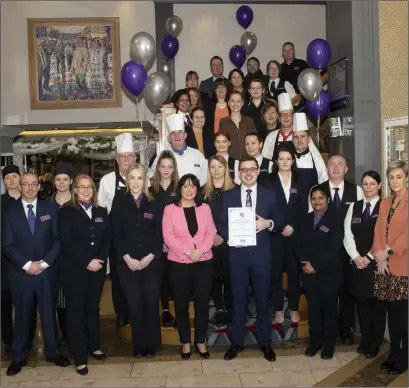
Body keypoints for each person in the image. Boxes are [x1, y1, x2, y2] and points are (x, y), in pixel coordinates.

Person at [3, 172, 70, 376]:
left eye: (34, 184)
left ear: (39, 187)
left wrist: (45, 263)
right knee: (22, 316)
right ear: (20, 187)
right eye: (26, 184)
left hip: (46, 272)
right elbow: (6, 244)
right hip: (21, 273)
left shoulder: (50, 209)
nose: (30, 188)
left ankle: (53, 352)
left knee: (49, 314)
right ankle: (19, 357)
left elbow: (58, 240)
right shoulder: (9, 211)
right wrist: (26, 265)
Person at [219, 156, 284, 362]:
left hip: (261, 257)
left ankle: (265, 342)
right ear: (238, 173)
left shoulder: (269, 194)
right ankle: (236, 342)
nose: (248, 173)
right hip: (237, 257)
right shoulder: (228, 196)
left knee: (263, 302)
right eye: (243, 170)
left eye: (251, 169)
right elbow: (220, 223)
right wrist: (231, 237)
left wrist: (269, 223)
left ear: (257, 171)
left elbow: (281, 219)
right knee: (238, 302)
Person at [58, 174, 110, 375]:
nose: (86, 190)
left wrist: (100, 259)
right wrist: (87, 260)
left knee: (92, 308)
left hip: (96, 269)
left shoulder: (101, 211)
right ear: (75, 190)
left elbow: (107, 238)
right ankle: (79, 356)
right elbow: (66, 241)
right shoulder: (66, 212)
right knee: (76, 311)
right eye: (82, 187)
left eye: (90, 187)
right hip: (74, 270)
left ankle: (94, 345)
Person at [162, 174, 217, 359]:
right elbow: (168, 236)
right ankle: (185, 342)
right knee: (181, 304)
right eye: (185, 186)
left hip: (204, 262)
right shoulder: (170, 210)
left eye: (193, 186)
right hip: (179, 262)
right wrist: (187, 251)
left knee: (202, 304)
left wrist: (200, 250)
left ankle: (200, 341)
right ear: (180, 189)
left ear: (197, 190)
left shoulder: (205, 208)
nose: (189, 189)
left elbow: (211, 232)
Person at [111, 165, 163, 358]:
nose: (135, 182)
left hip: (152, 262)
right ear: (127, 180)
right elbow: (115, 232)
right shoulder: (119, 201)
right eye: (131, 178)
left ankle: (152, 343)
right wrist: (126, 257)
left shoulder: (153, 202)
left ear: (145, 180)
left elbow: (159, 233)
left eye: (139, 178)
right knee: (134, 302)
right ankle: (139, 345)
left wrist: (151, 256)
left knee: (150, 302)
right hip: (128, 262)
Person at [294, 185, 344, 360]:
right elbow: (297, 244)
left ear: (328, 199)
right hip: (308, 273)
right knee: (314, 309)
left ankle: (329, 344)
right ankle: (315, 341)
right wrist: (306, 264)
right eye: (314, 198)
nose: (317, 201)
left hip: (329, 273)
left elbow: (334, 247)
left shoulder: (336, 218)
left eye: (320, 198)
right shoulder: (305, 219)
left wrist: (315, 264)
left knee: (329, 309)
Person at [319, 155, 364, 345]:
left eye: (340, 165)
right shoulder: (318, 190)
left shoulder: (357, 191)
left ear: (347, 169)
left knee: (347, 292)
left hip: (348, 252)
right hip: (326, 251)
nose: (336, 168)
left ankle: (345, 330)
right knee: (325, 293)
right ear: (327, 168)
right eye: (332, 164)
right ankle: (326, 330)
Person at [343, 171, 386, 358]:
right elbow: (347, 234)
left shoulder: (385, 207)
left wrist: (368, 257)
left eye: (372, 184)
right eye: (365, 184)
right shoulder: (354, 206)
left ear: (379, 185)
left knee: (377, 307)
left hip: (378, 264)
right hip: (358, 265)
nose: (368, 187)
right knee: (362, 307)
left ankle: (375, 344)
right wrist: (355, 257)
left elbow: (385, 238)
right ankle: (365, 341)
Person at [371, 160, 408, 375]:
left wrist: (390, 252)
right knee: (391, 315)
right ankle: (394, 352)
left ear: (406, 177)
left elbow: (407, 234)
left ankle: (405, 355)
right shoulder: (384, 202)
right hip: (385, 267)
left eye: (399, 177)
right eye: (392, 177)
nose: (395, 181)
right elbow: (377, 232)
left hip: (403, 265)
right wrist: (380, 258)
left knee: (403, 316)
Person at [98, 133, 136, 327]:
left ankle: (136, 310)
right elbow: (100, 210)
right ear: (117, 159)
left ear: (135, 159)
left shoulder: (141, 178)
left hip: (136, 236)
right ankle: (121, 312)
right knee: (118, 277)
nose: (127, 161)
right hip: (114, 236)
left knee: (135, 276)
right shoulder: (107, 180)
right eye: (123, 157)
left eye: (130, 156)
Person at [1, 166, 37, 355]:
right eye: (7, 178)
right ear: (4, 182)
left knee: (28, 301)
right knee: (5, 303)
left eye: (15, 176)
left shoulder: (30, 201)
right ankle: (8, 339)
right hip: (5, 262)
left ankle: (29, 336)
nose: (11, 180)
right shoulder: (1, 203)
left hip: (28, 263)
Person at [268, 148, 305, 324]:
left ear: (293, 161)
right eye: (281, 159)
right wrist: (281, 226)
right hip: (275, 234)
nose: (284, 162)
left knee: (294, 272)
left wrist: (293, 225)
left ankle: (294, 307)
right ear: (276, 161)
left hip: (295, 234)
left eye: (288, 159)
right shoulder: (269, 181)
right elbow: (267, 208)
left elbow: (304, 208)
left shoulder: (300, 181)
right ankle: (278, 308)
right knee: (274, 273)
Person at [203, 155, 236, 326]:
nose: (216, 170)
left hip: (230, 241)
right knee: (214, 277)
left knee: (230, 277)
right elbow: (199, 218)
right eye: (213, 167)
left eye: (220, 167)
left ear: (226, 169)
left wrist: (224, 235)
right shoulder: (202, 192)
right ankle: (219, 308)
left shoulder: (235, 190)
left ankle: (230, 308)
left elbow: (238, 217)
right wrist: (213, 235)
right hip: (209, 242)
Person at [149, 151, 179, 328]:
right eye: (163, 166)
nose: (166, 170)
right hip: (156, 241)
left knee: (176, 278)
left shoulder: (180, 188)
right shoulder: (151, 190)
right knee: (160, 278)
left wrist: (172, 242)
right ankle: (165, 311)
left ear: (174, 168)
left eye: (170, 167)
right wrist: (160, 242)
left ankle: (179, 310)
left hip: (176, 243)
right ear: (158, 168)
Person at [149, 113, 208, 186]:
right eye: (173, 133)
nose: (177, 136)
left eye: (180, 132)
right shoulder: (162, 155)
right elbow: (151, 175)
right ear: (169, 138)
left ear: (185, 135)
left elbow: (205, 179)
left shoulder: (197, 154)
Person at [49, 168, 73, 347]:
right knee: (59, 299)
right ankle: (64, 333)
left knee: (75, 297)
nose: (62, 182)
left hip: (75, 258)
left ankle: (76, 332)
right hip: (53, 259)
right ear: (54, 182)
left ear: (71, 181)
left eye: (65, 179)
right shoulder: (47, 204)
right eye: (58, 179)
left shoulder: (78, 201)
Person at [291, 113, 328, 196]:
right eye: (296, 137)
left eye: (302, 136)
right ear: (292, 139)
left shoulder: (317, 160)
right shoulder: (287, 159)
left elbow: (324, 183)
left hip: (313, 204)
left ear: (308, 138)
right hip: (293, 204)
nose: (299, 140)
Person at [219, 90, 257, 161]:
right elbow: (221, 143)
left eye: (238, 101)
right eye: (232, 101)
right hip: (230, 161)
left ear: (242, 103)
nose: (235, 104)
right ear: (228, 103)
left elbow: (255, 141)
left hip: (248, 160)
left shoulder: (249, 121)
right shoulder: (223, 122)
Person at [262, 93, 296, 160]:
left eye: (289, 114)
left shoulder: (301, 136)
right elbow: (265, 161)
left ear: (293, 116)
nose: (285, 117)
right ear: (279, 118)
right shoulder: (270, 137)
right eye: (283, 114)